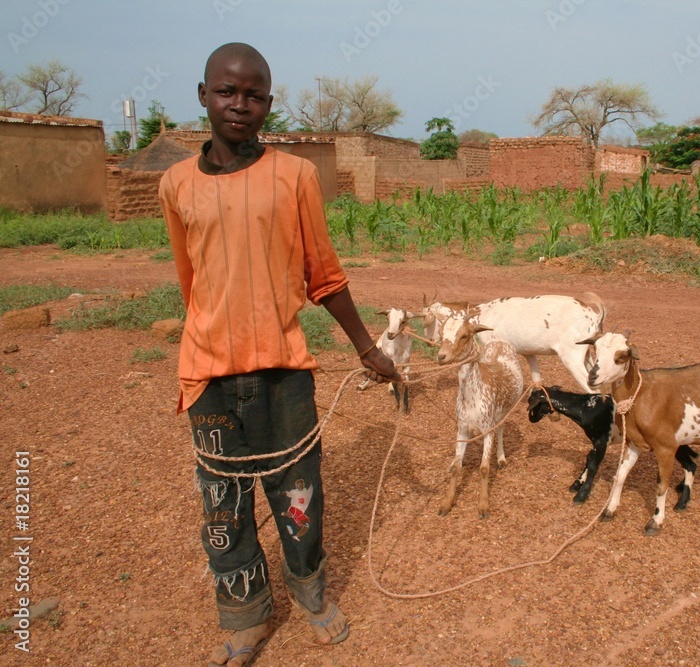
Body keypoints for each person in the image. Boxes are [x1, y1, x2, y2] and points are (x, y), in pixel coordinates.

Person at [159, 42, 399, 667]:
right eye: (227, 91)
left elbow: (324, 274)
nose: (241, 105)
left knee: (299, 494)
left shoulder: (295, 176)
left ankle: (312, 595)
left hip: (283, 369)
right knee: (223, 503)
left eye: (255, 94)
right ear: (203, 94)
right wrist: (200, 349)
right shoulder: (175, 184)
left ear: (269, 101)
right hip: (208, 374)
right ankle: (245, 616)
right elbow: (192, 283)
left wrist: (368, 348)